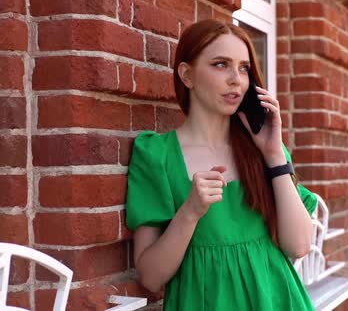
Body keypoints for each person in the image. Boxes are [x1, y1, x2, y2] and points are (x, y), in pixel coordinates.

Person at [126, 19, 318, 310]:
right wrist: (190, 212)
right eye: (220, 64)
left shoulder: (264, 148)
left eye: (243, 68)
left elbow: (300, 245)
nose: (236, 80)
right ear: (187, 75)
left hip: (276, 300)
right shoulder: (157, 154)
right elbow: (151, 278)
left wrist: (275, 157)